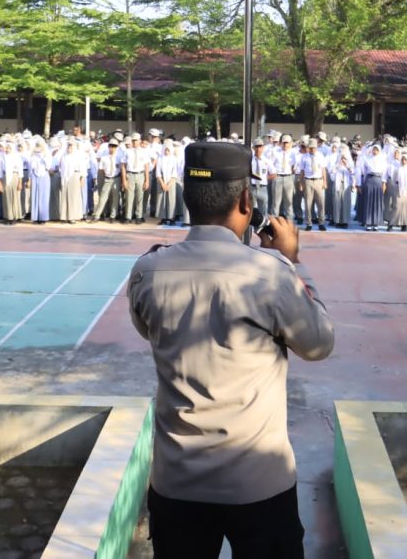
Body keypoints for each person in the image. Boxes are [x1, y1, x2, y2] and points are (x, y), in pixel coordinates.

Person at [128, 141, 334, 558]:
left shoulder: (148, 270)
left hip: (178, 481)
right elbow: (319, 344)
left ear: (187, 197)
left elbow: (145, 328)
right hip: (257, 481)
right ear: (245, 199)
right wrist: (293, 263)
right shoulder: (271, 274)